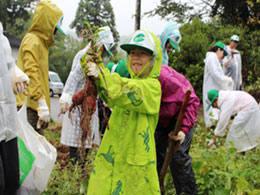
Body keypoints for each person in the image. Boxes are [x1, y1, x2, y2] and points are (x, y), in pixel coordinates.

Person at [86, 29, 163, 194]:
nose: (135, 57)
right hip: (114, 152)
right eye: (132, 53)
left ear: (154, 59)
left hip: (136, 163)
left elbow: (130, 91)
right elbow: (109, 95)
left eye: (142, 53)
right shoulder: (124, 83)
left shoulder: (152, 88)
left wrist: (103, 76)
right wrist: (96, 67)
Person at [59, 26, 114, 164]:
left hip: (89, 107)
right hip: (79, 107)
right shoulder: (84, 55)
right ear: (98, 44)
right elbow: (75, 75)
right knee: (77, 144)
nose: (103, 53)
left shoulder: (96, 58)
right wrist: (66, 94)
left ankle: (80, 168)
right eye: (103, 49)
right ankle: (76, 170)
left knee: (86, 142)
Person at [155, 23, 199, 195]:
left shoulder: (163, 77)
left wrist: (183, 130)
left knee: (177, 156)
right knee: (155, 156)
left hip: (179, 116)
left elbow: (192, 100)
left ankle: (187, 192)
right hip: (161, 119)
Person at [16, 0, 66, 135]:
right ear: (47, 24)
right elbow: (30, 72)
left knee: (37, 151)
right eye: (55, 28)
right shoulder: (32, 40)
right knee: (31, 152)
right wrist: (40, 101)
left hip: (34, 107)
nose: (55, 33)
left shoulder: (41, 44)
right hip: (28, 106)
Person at [0, 22, 29, 195]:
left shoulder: (1, 36)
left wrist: (15, 73)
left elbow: (8, 60)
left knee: (11, 178)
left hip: (7, 120)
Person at [203, 41, 234, 129]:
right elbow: (216, 74)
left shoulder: (213, 58)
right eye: (223, 54)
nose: (222, 57)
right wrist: (227, 80)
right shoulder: (212, 57)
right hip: (211, 90)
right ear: (219, 50)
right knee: (212, 115)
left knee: (214, 115)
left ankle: (213, 127)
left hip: (213, 89)